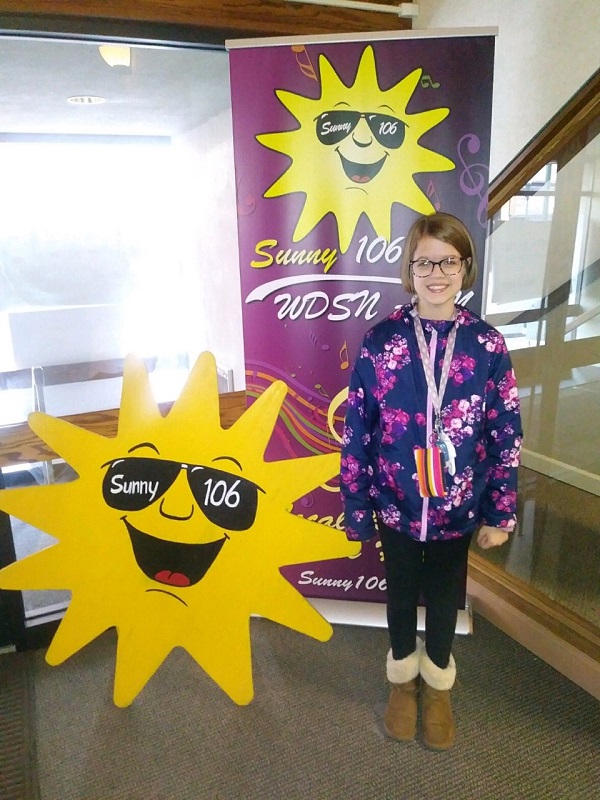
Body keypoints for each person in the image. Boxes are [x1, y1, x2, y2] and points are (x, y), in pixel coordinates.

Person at [340, 211, 522, 750]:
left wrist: (500, 511)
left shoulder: (487, 346)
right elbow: (357, 429)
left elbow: (506, 430)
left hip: (457, 507)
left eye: (448, 262)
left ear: (465, 268)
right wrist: (357, 506)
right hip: (395, 502)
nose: (436, 273)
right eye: (425, 262)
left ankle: (438, 682)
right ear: (410, 269)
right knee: (399, 594)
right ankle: (402, 677)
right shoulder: (381, 342)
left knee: (445, 598)